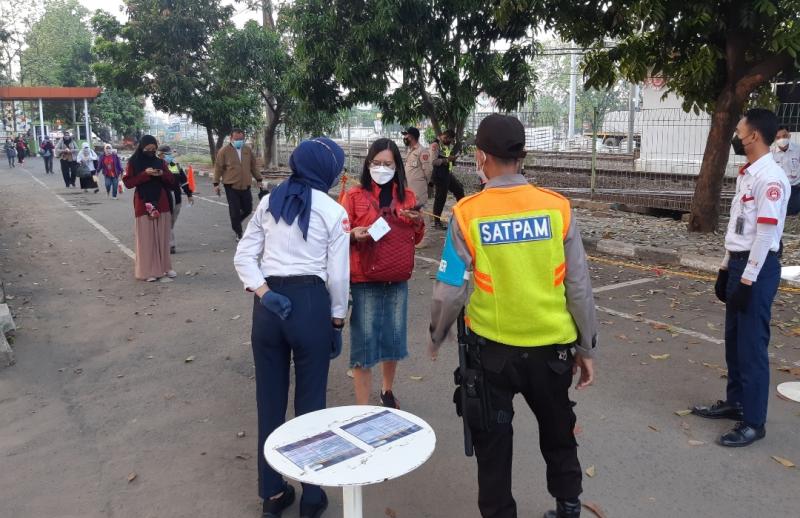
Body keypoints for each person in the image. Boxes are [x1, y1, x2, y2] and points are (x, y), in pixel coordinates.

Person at [429, 114, 597, 518]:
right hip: (552, 353)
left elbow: (452, 287)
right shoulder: (557, 209)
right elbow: (578, 286)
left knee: (493, 445)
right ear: (522, 156)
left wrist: (437, 335)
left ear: (481, 157)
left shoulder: (468, 214)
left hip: (493, 356)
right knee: (559, 434)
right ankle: (569, 505)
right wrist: (586, 346)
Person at [234, 137, 350, 518]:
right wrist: (336, 321)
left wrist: (265, 293)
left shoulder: (269, 201)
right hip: (310, 304)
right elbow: (338, 275)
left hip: (268, 310)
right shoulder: (333, 211)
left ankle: (272, 494)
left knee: (269, 402)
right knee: (311, 405)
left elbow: (244, 257)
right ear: (328, 171)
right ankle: (312, 495)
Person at [693, 108, 790, 447]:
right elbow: (739, 229)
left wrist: (747, 280)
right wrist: (724, 267)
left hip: (757, 269)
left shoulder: (770, 179)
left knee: (751, 348)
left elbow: (765, 236)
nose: (735, 135)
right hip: (739, 264)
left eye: (739, 131)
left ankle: (754, 421)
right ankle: (735, 403)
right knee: (734, 342)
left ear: (753, 137)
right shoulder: (749, 174)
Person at [341, 138, 425, 409]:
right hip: (364, 279)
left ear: (396, 165)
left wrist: (418, 222)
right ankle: (363, 407)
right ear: (368, 164)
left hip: (397, 277)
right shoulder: (354, 196)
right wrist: (353, 235)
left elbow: (416, 237)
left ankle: (387, 391)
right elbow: (339, 235)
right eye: (376, 163)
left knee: (394, 338)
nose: (381, 168)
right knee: (364, 344)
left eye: (387, 163)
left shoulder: (407, 196)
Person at [122, 135, 177, 282]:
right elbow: (128, 183)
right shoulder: (133, 163)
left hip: (161, 202)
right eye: (148, 149)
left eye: (154, 149)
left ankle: (165, 268)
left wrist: (161, 174)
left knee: (162, 238)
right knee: (146, 239)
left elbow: (172, 180)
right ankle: (148, 271)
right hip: (143, 203)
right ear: (142, 147)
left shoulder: (160, 162)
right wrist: (145, 174)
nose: (151, 152)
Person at [213, 128, 265, 240]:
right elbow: (218, 168)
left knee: (248, 209)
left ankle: (235, 221)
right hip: (231, 185)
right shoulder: (224, 151)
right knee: (235, 210)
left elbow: (253, 166)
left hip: (245, 184)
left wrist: (259, 179)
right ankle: (238, 232)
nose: (239, 141)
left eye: (241, 139)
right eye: (236, 139)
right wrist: (216, 183)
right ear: (231, 138)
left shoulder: (247, 150)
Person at [157, 145, 194, 254]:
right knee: (166, 221)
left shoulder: (175, 166)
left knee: (171, 222)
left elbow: (184, 182)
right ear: (160, 155)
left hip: (176, 198)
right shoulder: (156, 166)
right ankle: (170, 245)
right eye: (166, 154)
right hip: (163, 198)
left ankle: (166, 241)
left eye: (169, 154)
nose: (168, 156)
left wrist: (189, 195)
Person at [403, 126, 434, 248]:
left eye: (406, 136)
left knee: (422, 211)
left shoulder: (422, 151)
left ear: (411, 137)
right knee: (411, 210)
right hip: (409, 187)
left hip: (419, 187)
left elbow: (428, 171)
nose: (404, 138)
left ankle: (424, 239)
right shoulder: (410, 150)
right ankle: (415, 235)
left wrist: (424, 183)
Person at [431, 129, 465, 229]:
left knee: (459, 190)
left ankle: (462, 214)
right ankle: (437, 222)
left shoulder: (445, 145)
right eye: (449, 139)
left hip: (447, 173)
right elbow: (433, 161)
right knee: (440, 198)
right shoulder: (435, 145)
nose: (450, 142)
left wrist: (453, 159)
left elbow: (447, 157)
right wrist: (446, 160)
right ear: (445, 136)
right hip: (439, 175)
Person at [772, 125, 799, 216]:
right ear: (774, 139)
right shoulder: (771, 153)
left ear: (789, 136)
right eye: (778, 137)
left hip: (795, 187)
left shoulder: (798, 150)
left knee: (792, 211)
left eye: (784, 136)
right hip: (778, 188)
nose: (782, 139)